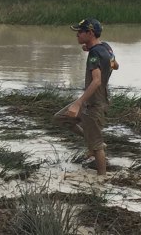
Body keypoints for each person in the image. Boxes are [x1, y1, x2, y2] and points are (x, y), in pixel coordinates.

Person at [54, 18, 118, 176]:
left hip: (94, 103)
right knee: (61, 118)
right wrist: (89, 48)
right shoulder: (105, 48)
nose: (77, 35)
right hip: (95, 100)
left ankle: (101, 178)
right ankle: (92, 141)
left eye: (80, 32)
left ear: (90, 33)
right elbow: (115, 65)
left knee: (97, 146)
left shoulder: (95, 53)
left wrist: (77, 103)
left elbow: (96, 81)